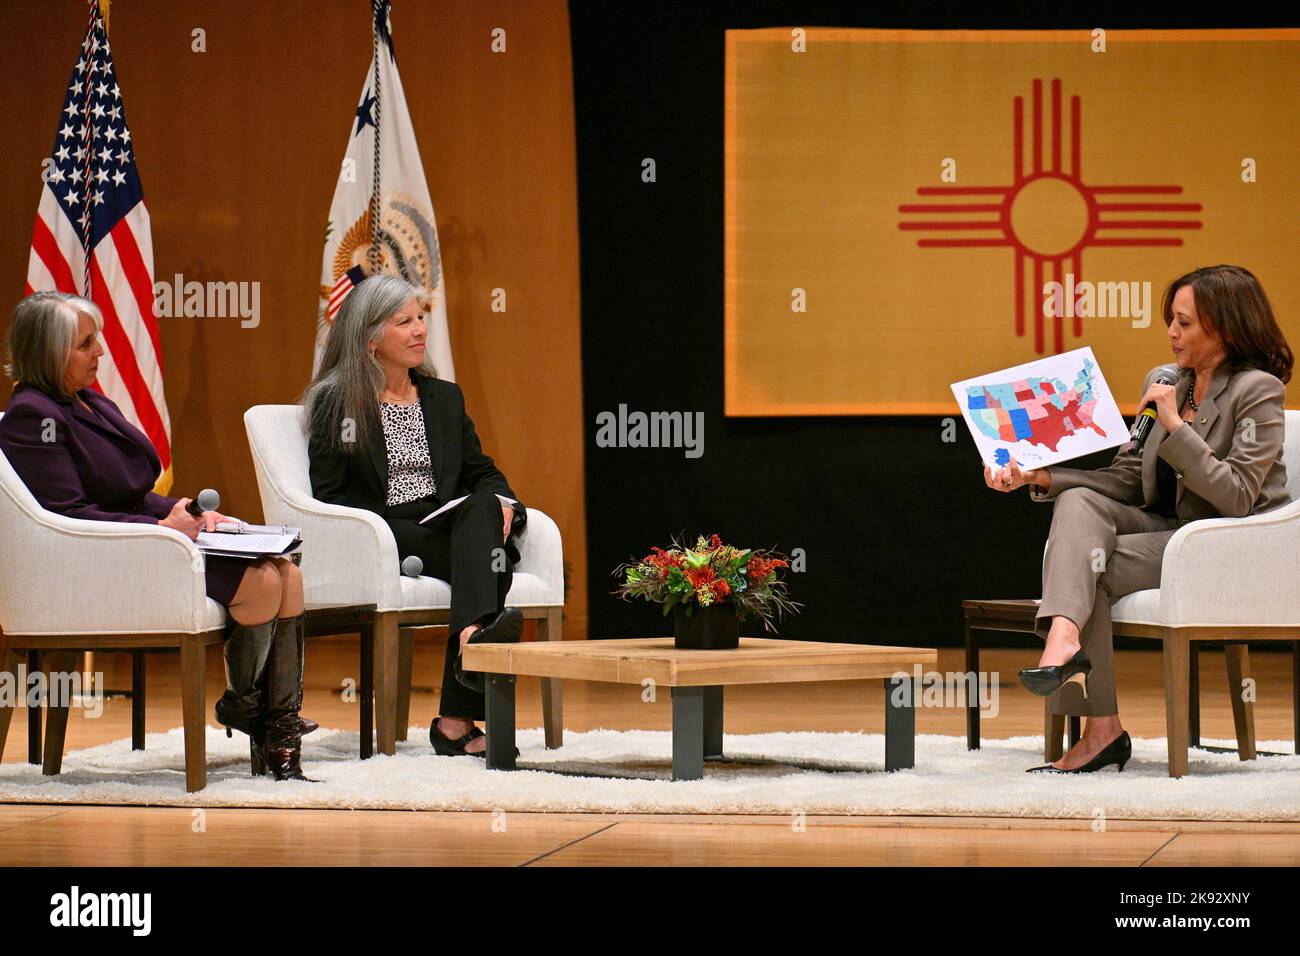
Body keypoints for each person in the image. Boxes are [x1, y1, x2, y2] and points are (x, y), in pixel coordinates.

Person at [983, 265, 1293, 773]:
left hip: (1220, 543)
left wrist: (1175, 426)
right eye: (1170, 320)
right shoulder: (1166, 380)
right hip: (1163, 531)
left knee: (1086, 569)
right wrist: (1037, 477)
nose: (1171, 333)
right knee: (1076, 505)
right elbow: (1127, 477)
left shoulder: (1257, 391)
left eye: (1184, 323)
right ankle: (1065, 638)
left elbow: (1237, 496)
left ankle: (1098, 727)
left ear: (1227, 328)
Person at [0, 291, 314, 781]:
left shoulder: (87, 401)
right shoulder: (34, 416)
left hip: (140, 543)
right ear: (49, 351)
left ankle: (274, 727)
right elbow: (67, 514)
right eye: (85, 344)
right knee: (262, 584)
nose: (100, 351)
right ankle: (253, 714)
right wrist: (160, 529)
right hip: (100, 563)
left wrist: (182, 511)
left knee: (287, 575)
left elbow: (128, 490)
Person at [302, 274, 525, 758]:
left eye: (420, 316)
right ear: (370, 339)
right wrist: (382, 531)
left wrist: (506, 505)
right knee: (495, 560)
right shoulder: (336, 402)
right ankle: (456, 717)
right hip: (382, 530)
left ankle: (470, 641)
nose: (420, 328)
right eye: (404, 322)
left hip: (444, 526)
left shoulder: (443, 399)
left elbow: (482, 472)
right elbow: (331, 498)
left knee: (487, 525)